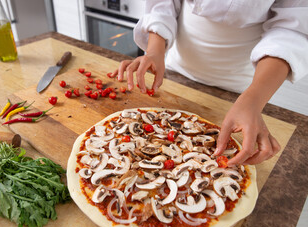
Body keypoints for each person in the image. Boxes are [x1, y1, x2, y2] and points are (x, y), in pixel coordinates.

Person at [112, 0, 308, 166]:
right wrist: (155, 51)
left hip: (245, 84)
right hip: (176, 68)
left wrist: (254, 100)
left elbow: (292, 28)